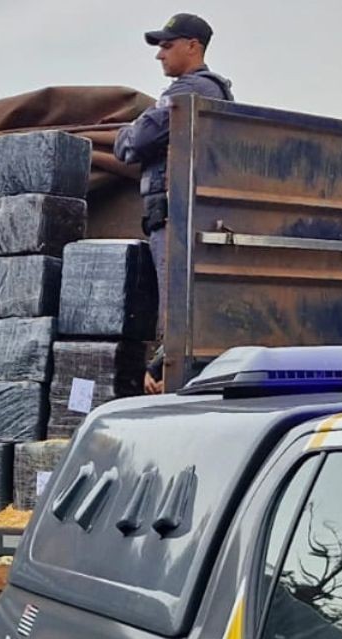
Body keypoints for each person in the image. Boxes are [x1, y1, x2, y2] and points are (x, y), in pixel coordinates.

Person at [114, 13, 235, 393]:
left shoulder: (189, 91)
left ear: (192, 46)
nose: (159, 55)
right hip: (173, 216)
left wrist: (123, 132)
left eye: (167, 46)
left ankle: (173, 378)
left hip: (175, 217)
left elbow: (132, 145)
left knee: (176, 307)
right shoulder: (201, 91)